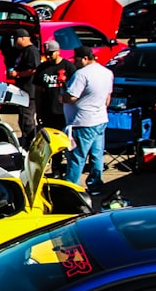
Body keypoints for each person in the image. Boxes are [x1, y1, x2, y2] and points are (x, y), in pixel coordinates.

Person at [62, 46, 114, 195]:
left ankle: (71, 189)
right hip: (100, 119)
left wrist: (62, 97)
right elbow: (107, 98)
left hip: (82, 122)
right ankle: (95, 186)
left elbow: (71, 97)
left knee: (77, 157)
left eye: (77, 60)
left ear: (85, 58)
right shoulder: (107, 72)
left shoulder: (81, 75)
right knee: (97, 155)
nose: (75, 63)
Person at [33, 39, 76, 174]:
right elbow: (38, 92)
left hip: (64, 112)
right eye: (47, 53)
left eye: (52, 53)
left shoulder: (68, 67)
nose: (49, 56)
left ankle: (66, 167)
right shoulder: (42, 68)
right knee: (50, 142)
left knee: (66, 141)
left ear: (58, 52)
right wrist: (38, 112)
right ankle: (55, 166)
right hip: (48, 111)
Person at [8, 29, 40, 148]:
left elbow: (34, 69)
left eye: (16, 39)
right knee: (21, 118)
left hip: (29, 91)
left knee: (27, 119)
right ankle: (25, 139)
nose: (15, 42)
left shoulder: (32, 51)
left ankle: (30, 143)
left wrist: (18, 74)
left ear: (23, 38)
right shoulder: (22, 51)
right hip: (22, 91)